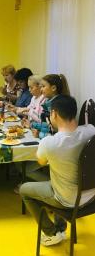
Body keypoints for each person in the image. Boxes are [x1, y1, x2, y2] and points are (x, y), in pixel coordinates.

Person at [20, 95, 95, 247]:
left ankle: (52, 232)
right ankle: (61, 228)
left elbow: (41, 162)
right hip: (91, 196)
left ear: (54, 114)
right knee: (56, 179)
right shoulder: (91, 131)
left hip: (67, 200)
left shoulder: (50, 143)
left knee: (24, 190)